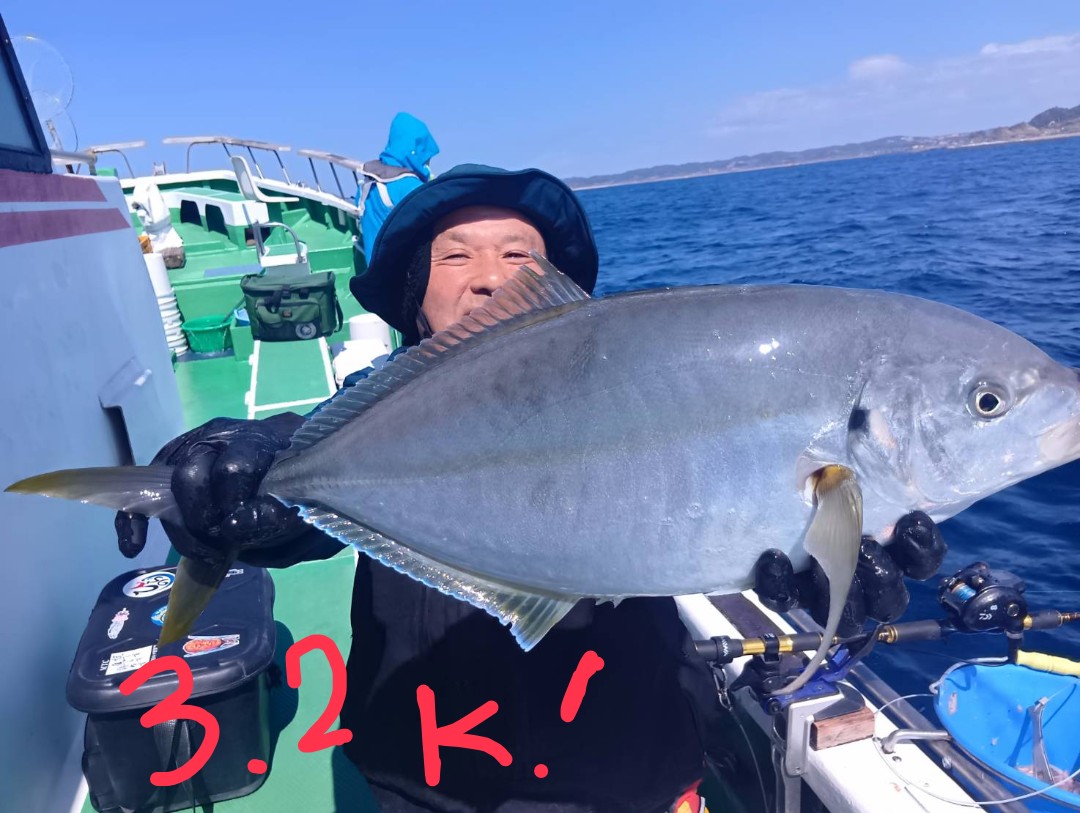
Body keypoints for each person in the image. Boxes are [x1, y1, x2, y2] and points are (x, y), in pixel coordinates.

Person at [115, 164, 946, 812]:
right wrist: (240, 466)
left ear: (568, 302)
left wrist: (823, 562)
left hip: (633, 776)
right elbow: (302, 461)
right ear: (416, 301)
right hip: (432, 784)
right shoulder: (379, 412)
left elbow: (722, 487)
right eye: (457, 256)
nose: (491, 278)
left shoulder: (645, 395)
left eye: (522, 258)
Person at [357, 112, 440, 261]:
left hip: (375, 274)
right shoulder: (409, 187)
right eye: (426, 159)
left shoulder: (367, 184)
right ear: (415, 151)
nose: (427, 164)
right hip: (402, 279)